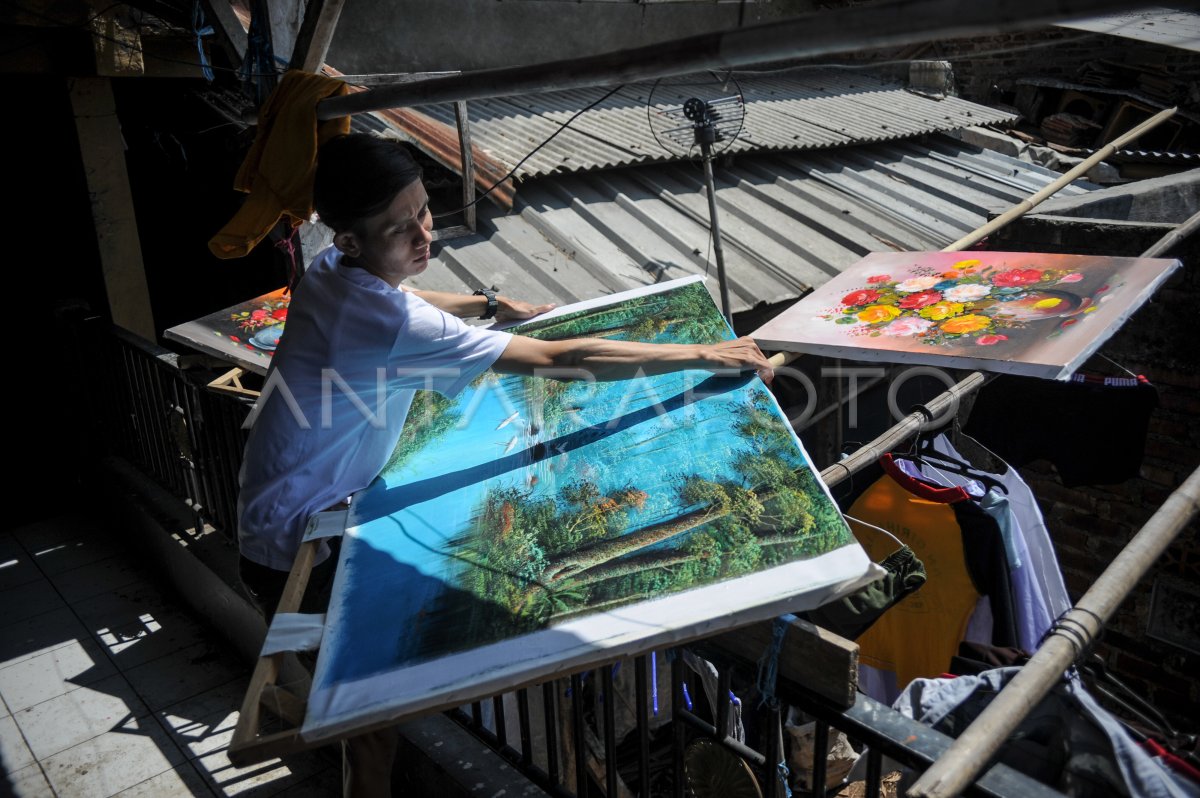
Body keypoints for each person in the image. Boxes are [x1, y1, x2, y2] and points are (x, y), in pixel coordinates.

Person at [235, 132, 773, 796]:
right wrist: (708, 356)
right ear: (348, 240)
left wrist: (493, 306)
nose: (424, 236)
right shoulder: (376, 314)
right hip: (297, 546)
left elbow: (411, 301)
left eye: (424, 211)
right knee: (369, 732)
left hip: (290, 508)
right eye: (399, 229)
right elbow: (557, 360)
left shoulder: (328, 272)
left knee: (362, 721)